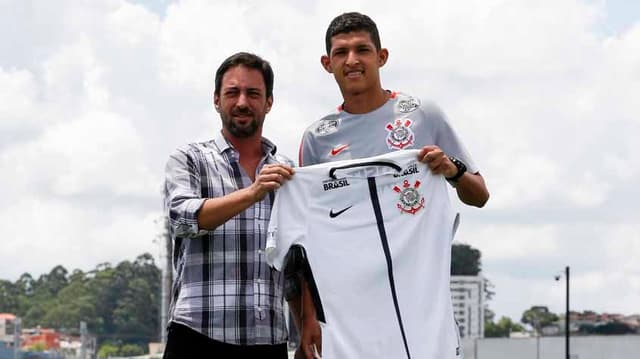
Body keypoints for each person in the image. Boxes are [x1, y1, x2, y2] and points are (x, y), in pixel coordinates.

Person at [291, 12, 490, 358]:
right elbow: (308, 238)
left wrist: (452, 170)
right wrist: (308, 317)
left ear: (381, 56)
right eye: (341, 53)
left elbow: (480, 195)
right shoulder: (317, 138)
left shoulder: (422, 114)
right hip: (352, 308)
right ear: (327, 63)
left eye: (362, 50)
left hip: (420, 301)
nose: (352, 61)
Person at [163, 52, 294, 358]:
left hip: (268, 339)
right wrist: (252, 192)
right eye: (232, 92)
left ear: (269, 102)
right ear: (216, 100)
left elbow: (295, 263)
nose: (242, 102)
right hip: (197, 336)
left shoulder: (287, 172)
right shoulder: (190, 159)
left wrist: (307, 322)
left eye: (253, 93)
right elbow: (183, 221)